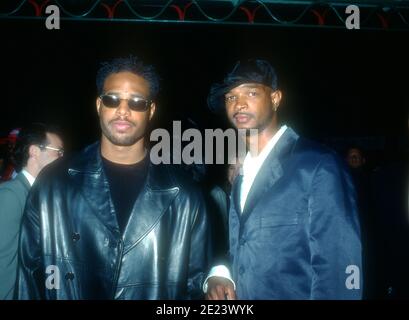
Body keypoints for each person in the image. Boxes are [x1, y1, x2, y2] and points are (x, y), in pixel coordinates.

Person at [15, 56, 211, 300]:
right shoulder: (54, 183)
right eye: (112, 99)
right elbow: (29, 277)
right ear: (99, 105)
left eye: (137, 102)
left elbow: (194, 286)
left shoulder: (184, 194)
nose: (123, 110)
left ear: (151, 111)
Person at [204, 59, 363, 299]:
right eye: (230, 97)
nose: (239, 104)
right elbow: (244, 245)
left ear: (276, 98)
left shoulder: (318, 165)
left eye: (251, 92)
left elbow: (338, 270)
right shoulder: (240, 174)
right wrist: (221, 273)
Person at [0, 123, 63, 299]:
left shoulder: (38, 194)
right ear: (34, 151)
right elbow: (4, 265)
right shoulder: (11, 195)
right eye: (58, 151)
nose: (61, 157)